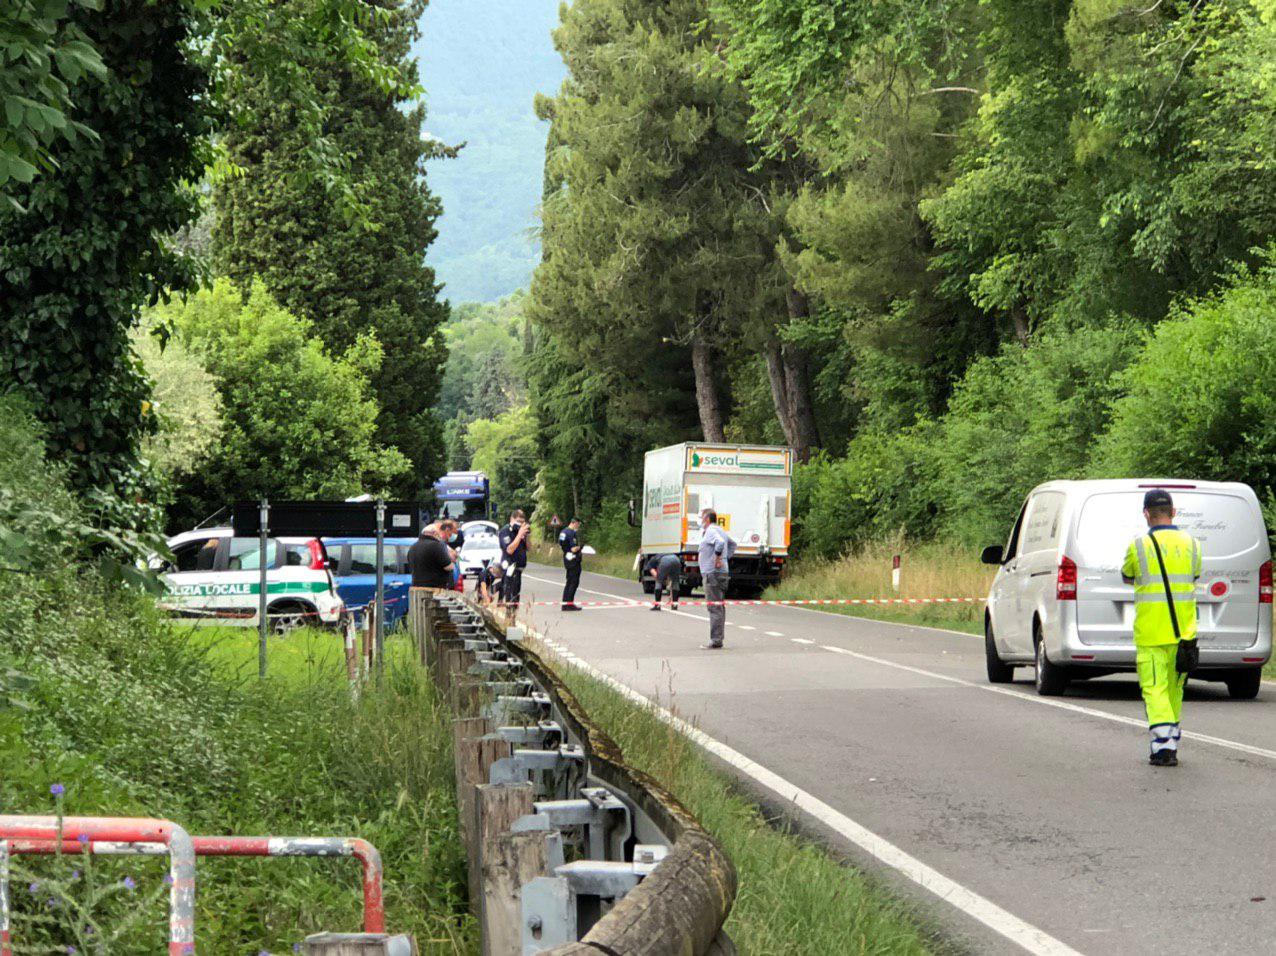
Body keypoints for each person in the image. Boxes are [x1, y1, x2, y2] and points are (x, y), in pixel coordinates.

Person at [1121, 488, 1203, 767]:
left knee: (1154, 690)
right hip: (1185, 634)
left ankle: (1164, 747)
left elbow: (1127, 576)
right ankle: (1171, 742)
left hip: (1152, 633)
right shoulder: (1193, 544)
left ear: (1146, 514)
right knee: (1174, 691)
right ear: (1173, 512)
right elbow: (1194, 575)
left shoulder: (1139, 546)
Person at [698, 509, 736, 649]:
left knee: (714, 607)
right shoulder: (720, 530)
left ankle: (716, 640)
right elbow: (733, 544)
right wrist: (725, 559)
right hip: (720, 572)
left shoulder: (711, 531)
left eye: (702, 518)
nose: (701, 521)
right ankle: (718, 638)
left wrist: (718, 558)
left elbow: (719, 543)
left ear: (707, 519)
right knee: (718, 606)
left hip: (713, 573)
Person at [497, 508, 532, 616]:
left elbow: (529, 548)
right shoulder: (505, 531)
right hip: (509, 567)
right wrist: (519, 535)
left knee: (516, 595)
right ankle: (508, 617)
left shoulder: (520, 532)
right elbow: (509, 550)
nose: (520, 524)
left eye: (522, 522)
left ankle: (513, 617)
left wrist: (526, 535)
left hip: (519, 568)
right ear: (511, 519)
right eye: (518, 521)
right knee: (510, 595)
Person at [407, 523, 454, 589]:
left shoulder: (413, 547)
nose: (439, 536)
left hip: (417, 587)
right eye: (438, 534)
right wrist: (452, 559)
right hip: (435, 588)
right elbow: (448, 567)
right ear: (434, 533)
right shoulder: (436, 545)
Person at [559, 517, 584, 611]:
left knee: (569, 582)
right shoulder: (571, 533)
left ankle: (564, 604)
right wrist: (580, 547)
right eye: (578, 525)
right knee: (574, 582)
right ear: (575, 523)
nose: (578, 527)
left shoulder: (563, 532)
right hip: (573, 560)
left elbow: (561, 544)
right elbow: (573, 549)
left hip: (566, 558)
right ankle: (569, 604)